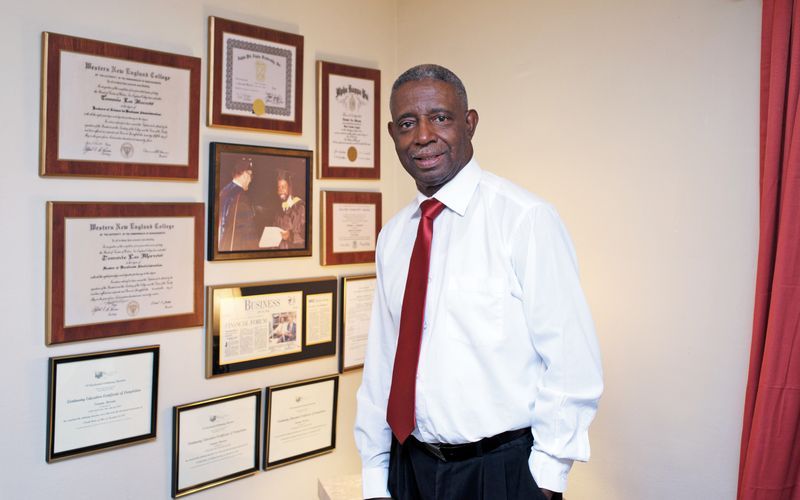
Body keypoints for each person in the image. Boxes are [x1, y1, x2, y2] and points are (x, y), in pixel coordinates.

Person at [354, 64, 603, 500]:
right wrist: (376, 475)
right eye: (408, 123)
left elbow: (571, 363)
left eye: (441, 118)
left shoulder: (524, 220)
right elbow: (382, 363)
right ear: (393, 134)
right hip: (408, 466)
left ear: (469, 123)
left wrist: (545, 480)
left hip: (499, 472)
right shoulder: (393, 236)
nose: (424, 135)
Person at [218, 157, 259, 251]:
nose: (251, 180)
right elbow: (248, 233)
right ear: (245, 174)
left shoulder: (224, 191)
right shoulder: (241, 198)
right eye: (251, 176)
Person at [272, 172, 306, 249]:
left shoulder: (300, 207)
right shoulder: (278, 209)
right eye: (278, 187)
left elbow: (305, 234)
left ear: (290, 188)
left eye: (283, 187)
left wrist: (290, 235)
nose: (280, 191)